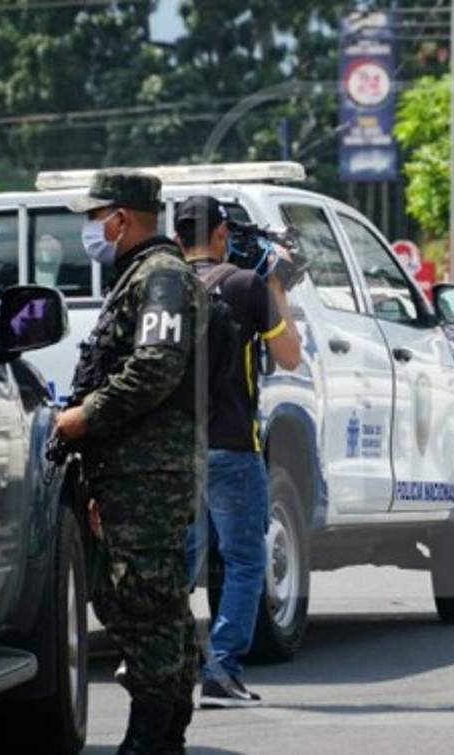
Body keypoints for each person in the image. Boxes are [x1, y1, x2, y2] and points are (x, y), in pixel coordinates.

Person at [54, 171, 205, 752]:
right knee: (148, 601)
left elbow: (154, 368)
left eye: (96, 218)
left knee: (145, 601)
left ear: (121, 218)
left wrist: (84, 417)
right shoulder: (139, 277)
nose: (91, 230)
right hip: (132, 470)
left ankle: (152, 738)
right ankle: (164, 735)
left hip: (149, 473)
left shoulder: (162, 277)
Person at [174, 196, 301, 708]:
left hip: (174, 450)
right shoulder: (245, 286)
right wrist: (274, 283)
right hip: (232, 446)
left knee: (179, 558)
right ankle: (222, 670)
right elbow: (289, 356)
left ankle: (151, 654)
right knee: (246, 561)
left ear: (177, 235)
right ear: (222, 231)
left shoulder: (160, 286)